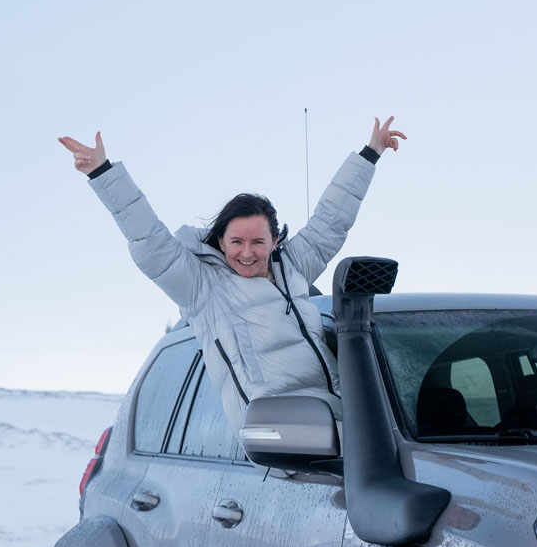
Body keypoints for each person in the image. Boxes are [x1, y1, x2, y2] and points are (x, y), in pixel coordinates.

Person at [58, 117, 406, 431]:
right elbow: (150, 241)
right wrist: (103, 172)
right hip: (280, 439)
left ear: (275, 241)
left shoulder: (292, 267)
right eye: (236, 242)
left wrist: (370, 154)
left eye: (258, 242)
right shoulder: (203, 288)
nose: (247, 252)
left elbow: (331, 220)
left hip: (345, 426)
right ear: (221, 242)